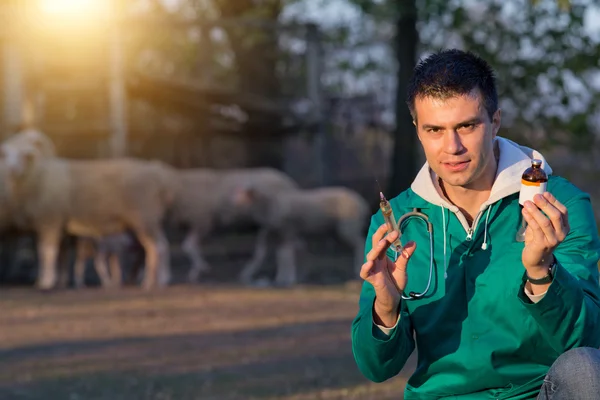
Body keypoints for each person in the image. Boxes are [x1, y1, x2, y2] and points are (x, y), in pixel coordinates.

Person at [350, 48, 600, 399]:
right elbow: (377, 369)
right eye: (434, 129)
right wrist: (387, 307)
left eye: (466, 126)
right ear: (417, 130)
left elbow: (587, 344)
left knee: (586, 370)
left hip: (539, 392)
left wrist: (543, 271)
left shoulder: (560, 204)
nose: (452, 147)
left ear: (495, 121)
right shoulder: (396, 220)